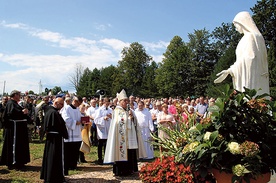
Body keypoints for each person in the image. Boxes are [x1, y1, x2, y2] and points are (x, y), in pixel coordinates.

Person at [214, 11, 269, 96]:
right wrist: (230, 70)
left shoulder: (250, 37)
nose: (236, 29)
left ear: (242, 23)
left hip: (251, 77)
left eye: (236, 26)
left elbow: (250, 59)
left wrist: (231, 69)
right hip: (248, 74)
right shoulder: (252, 37)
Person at [104, 89, 146, 176]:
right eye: (125, 100)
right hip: (121, 137)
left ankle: (130, 169)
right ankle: (121, 171)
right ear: (120, 101)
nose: (126, 102)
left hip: (130, 136)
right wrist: (128, 119)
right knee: (121, 152)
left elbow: (135, 123)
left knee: (130, 152)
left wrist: (132, 117)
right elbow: (118, 123)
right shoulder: (117, 111)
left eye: (127, 100)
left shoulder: (129, 110)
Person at [0, 90, 30, 169]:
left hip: (19, 129)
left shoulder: (15, 103)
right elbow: (12, 113)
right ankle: (13, 162)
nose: (20, 96)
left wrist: (25, 113)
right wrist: (22, 112)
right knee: (14, 145)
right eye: (19, 94)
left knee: (20, 145)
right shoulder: (11, 103)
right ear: (15, 95)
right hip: (14, 129)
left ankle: (19, 161)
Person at [40, 97, 68, 183]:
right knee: (55, 157)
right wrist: (64, 133)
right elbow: (60, 125)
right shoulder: (54, 113)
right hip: (56, 138)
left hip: (51, 138)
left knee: (50, 156)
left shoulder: (49, 111)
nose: (62, 106)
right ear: (56, 103)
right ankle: (55, 177)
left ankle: (49, 176)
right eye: (61, 104)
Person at [61, 96, 83, 175]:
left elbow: (80, 118)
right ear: (74, 101)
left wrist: (83, 120)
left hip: (77, 133)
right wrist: (74, 122)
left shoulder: (77, 109)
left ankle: (74, 164)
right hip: (69, 132)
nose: (79, 105)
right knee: (68, 150)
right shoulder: (67, 108)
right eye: (78, 103)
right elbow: (65, 119)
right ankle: (68, 165)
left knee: (75, 150)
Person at [94, 97, 112, 165]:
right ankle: (100, 159)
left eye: (108, 102)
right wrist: (103, 118)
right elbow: (96, 120)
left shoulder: (110, 109)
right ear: (104, 102)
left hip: (108, 129)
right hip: (102, 130)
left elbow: (113, 117)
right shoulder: (99, 110)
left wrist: (111, 117)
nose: (107, 103)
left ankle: (106, 158)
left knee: (107, 145)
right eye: (106, 102)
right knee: (100, 144)